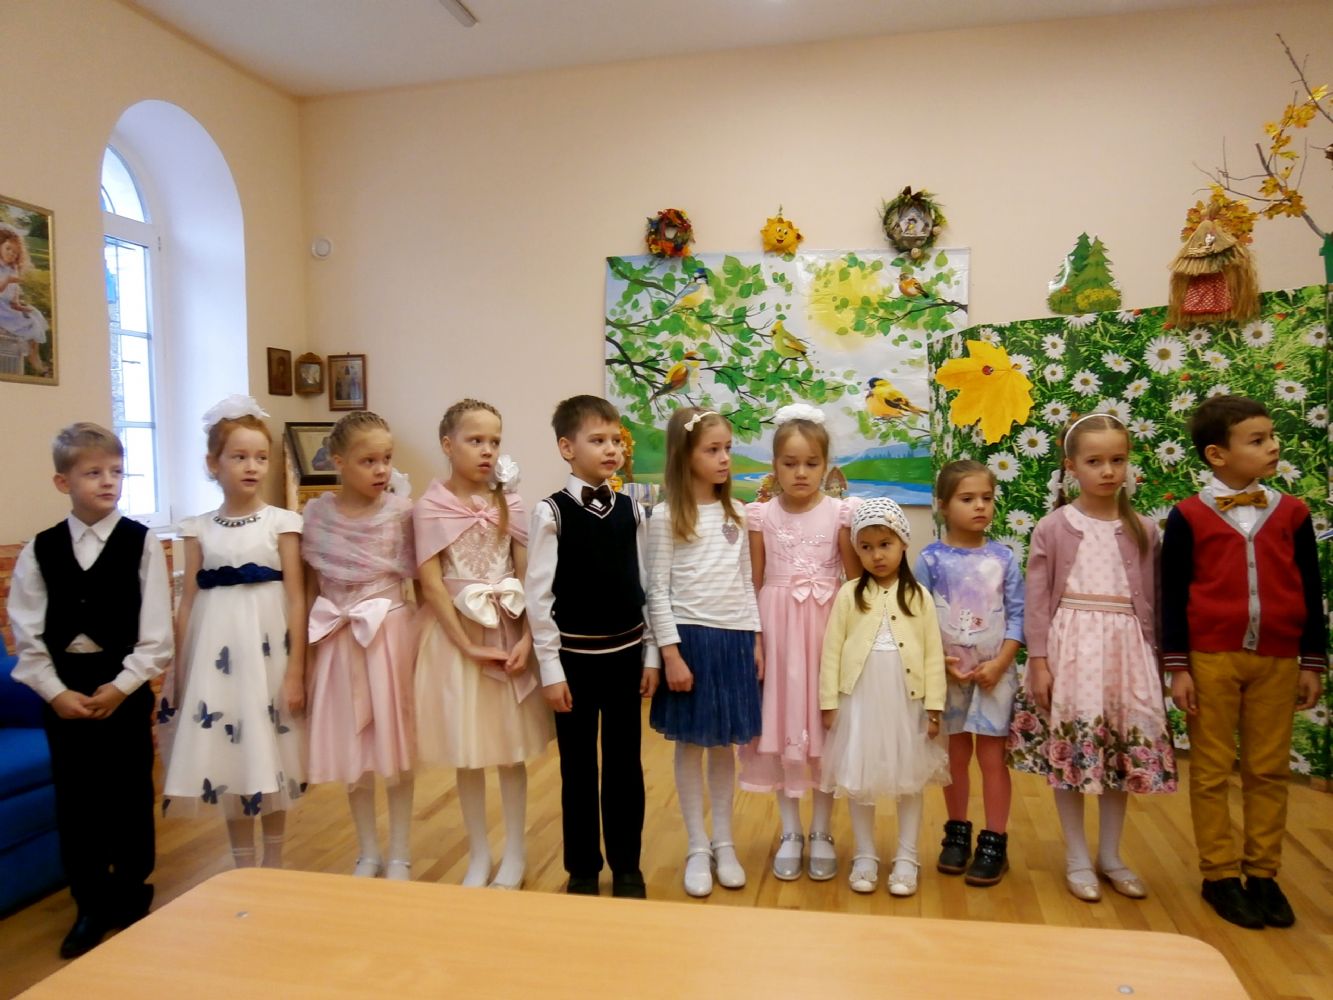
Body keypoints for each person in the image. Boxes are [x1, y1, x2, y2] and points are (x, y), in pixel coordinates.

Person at [1162, 395, 1326, 929]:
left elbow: (1310, 587)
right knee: (1211, 770)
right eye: (1257, 440)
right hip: (1211, 659)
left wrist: (1312, 660)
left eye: (1271, 436)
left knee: (1267, 769)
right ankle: (1219, 874)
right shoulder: (1188, 516)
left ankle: (1263, 873)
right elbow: (1173, 593)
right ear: (1217, 454)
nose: (1273, 446)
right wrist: (1178, 666)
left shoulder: (1293, 513)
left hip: (1278, 658)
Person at [8, 423, 171, 957]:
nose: (108, 481)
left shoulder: (141, 543)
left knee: (128, 794)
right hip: (65, 692)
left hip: (122, 688)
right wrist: (54, 692)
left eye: (116, 472)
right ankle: (90, 902)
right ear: (64, 482)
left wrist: (122, 686)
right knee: (77, 801)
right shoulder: (41, 549)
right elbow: (26, 633)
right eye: (93, 472)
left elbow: (156, 633)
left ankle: (131, 891)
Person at [1008, 414, 1175, 903]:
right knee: (1072, 753)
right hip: (1073, 651)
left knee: (1120, 752)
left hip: (1126, 653)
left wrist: (1158, 662)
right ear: (1071, 467)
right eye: (1095, 461)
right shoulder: (1054, 527)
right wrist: (1039, 661)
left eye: (1117, 460)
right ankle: (1077, 857)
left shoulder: (1144, 530)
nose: (1107, 471)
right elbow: (1038, 600)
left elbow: (1154, 600)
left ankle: (1111, 856)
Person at [161, 396, 308, 870]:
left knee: (272, 752)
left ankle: (274, 864)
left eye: (260, 457)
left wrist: (296, 671)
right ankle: (243, 867)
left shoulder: (283, 523)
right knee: (231, 757)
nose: (252, 466)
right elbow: (187, 603)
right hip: (217, 665)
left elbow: (297, 599)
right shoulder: (197, 529)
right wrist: (181, 673)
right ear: (213, 463)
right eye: (239, 456)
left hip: (269, 659)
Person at [415, 399, 551, 890]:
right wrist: (466, 646)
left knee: (510, 750)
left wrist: (529, 640)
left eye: (494, 441)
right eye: (475, 441)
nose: (487, 450)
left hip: (507, 633)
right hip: (457, 640)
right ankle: (478, 854)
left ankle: (514, 853)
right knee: (466, 750)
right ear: (448, 445)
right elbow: (431, 584)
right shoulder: (429, 507)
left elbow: (530, 575)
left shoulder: (509, 503)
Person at [526, 395, 658, 898]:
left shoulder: (633, 511)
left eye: (615, 441)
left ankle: (627, 866)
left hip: (625, 660)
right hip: (574, 665)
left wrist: (649, 654)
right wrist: (550, 669)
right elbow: (539, 597)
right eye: (597, 440)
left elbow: (645, 585)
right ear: (567, 448)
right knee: (578, 768)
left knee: (625, 766)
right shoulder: (551, 512)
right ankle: (582, 867)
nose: (611, 450)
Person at [738, 402, 859, 882]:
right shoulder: (759, 516)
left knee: (825, 728)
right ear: (775, 465)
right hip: (778, 630)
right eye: (790, 463)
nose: (801, 473)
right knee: (783, 722)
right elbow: (753, 581)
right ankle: (790, 831)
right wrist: (755, 640)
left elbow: (855, 584)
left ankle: (822, 830)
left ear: (826, 465)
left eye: (811, 463)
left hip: (827, 631)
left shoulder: (841, 513)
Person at [647, 407, 763, 898]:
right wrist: (671, 654)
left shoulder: (738, 512)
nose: (724, 458)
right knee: (691, 744)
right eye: (712, 450)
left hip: (733, 640)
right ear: (685, 455)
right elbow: (656, 591)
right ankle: (697, 844)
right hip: (691, 641)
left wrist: (755, 638)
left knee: (724, 746)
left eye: (727, 449)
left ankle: (724, 842)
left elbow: (746, 581)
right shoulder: (666, 516)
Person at [303, 411, 418, 880]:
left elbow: (420, 582)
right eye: (368, 461)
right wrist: (305, 659)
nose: (381, 470)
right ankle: (367, 849)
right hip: (337, 637)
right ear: (338, 461)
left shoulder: (402, 513)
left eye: (386, 459)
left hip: (389, 636)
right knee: (354, 750)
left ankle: (401, 852)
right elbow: (310, 586)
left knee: (396, 747)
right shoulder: (316, 515)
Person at [819, 498, 949, 896]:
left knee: (909, 777)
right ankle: (865, 854)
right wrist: (828, 702)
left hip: (905, 699)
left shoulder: (920, 596)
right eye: (867, 547)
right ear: (857, 550)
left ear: (903, 544)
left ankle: (907, 856)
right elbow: (832, 650)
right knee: (860, 775)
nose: (877, 555)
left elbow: (933, 654)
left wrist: (934, 707)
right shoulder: (849, 594)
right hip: (859, 699)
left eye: (885, 545)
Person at [915, 460, 1023, 886]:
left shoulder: (1004, 559)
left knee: (992, 759)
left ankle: (994, 841)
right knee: (955, 756)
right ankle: (956, 834)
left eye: (987, 498)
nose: (980, 506)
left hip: (995, 677)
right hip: (949, 678)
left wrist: (1001, 663)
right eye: (967, 498)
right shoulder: (930, 560)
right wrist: (937, 662)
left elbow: (1018, 617)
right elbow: (919, 619)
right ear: (943, 505)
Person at [0, 224, 50, 375]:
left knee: (34, 315)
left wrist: (20, 306)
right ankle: (34, 359)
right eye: (8, 249)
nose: (11, 254)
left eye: (15, 253)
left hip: (8, 307)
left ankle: (34, 355)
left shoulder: (12, 269)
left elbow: (13, 297)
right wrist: (7, 280)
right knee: (28, 323)